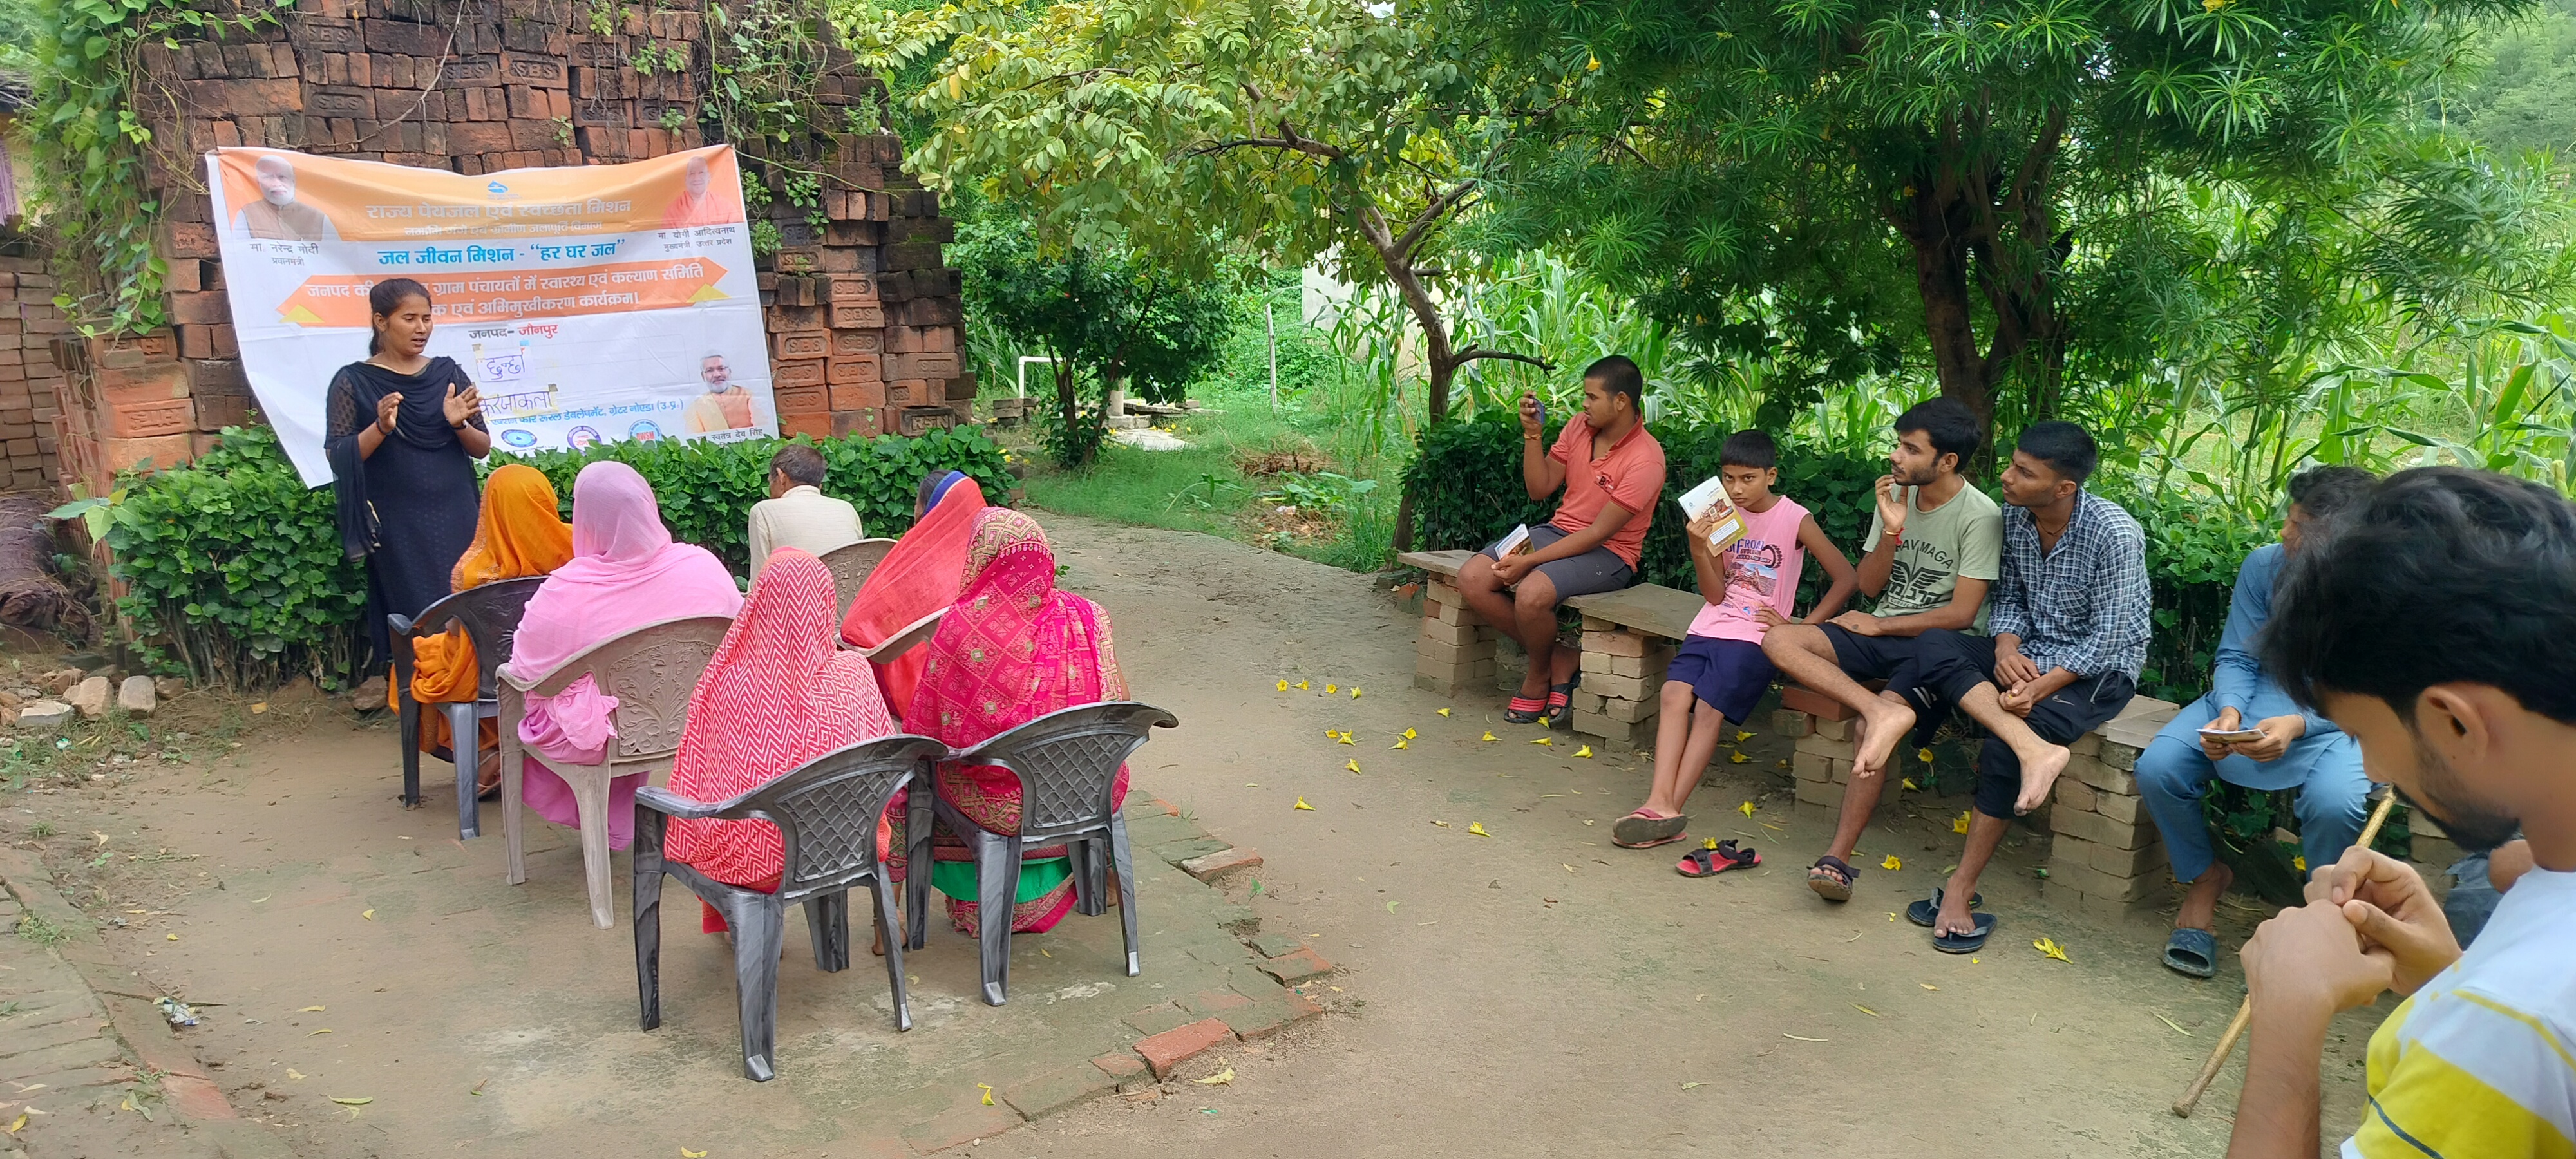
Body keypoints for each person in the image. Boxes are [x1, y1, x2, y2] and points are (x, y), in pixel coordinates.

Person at [2228, 467, 2576, 1159]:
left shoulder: (2511, 1022)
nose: (2373, 772)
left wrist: (2288, 1014)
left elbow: (2519, 1027)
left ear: (2454, 723)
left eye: (2360, 734)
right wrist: (2450, 974)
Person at [1891, 422, 2149, 952]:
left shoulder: (2115, 534)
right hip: (2028, 656)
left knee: (2002, 746)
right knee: (1935, 644)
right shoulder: (2014, 517)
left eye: (2025, 473)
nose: (2007, 477)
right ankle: (2034, 749)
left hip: (2097, 674)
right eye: (2012, 464)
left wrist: (2041, 686)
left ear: (2064, 488)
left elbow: (2109, 639)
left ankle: (1961, 889)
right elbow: (2009, 597)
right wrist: (2006, 650)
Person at [2135, 466, 2376, 978]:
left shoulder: (2384, 591)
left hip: (2340, 719)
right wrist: (2230, 712)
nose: (2284, 533)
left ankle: (2322, 922)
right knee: (2159, 766)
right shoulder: (2264, 565)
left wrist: (2299, 724)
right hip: (2250, 698)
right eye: (2288, 519)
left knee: (2335, 801)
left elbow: (2371, 693)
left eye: (2300, 527)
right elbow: (2238, 656)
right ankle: (2205, 878)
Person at [1760, 398, 2002, 901]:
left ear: (1947, 461)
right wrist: (1893, 528)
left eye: (1910, 449)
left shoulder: (1981, 516)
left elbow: (1963, 614)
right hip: (1881, 629)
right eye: (1898, 444)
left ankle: (1838, 859)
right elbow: (1870, 586)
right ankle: (1877, 708)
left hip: (1938, 647)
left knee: (1867, 731)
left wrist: (1882, 627)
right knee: (1780, 638)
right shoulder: (1896, 495)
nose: (1895, 456)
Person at [1614, 431, 1856, 854]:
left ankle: (1669, 811)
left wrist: (1801, 630)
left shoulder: (1794, 518)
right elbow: (1714, 594)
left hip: (1756, 634)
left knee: (1709, 708)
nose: (1737, 488)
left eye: (1748, 478)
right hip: (1712, 623)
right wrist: (1698, 547)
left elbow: (1846, 577)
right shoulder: (1721, 515)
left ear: (1771, 475)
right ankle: (1658, 803)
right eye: (1729, 478)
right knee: (1673, 694)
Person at [898, 508, 1130, 936]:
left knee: (919, 776)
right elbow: (1120, 704)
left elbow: (929, 730)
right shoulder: (1090, 615)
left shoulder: (962, 626)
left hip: (1004, 802)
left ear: (982, 557)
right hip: (1085, 789)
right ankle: (1094, 879)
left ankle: (959, 901)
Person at [504, 461, 743, 851]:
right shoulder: (703, 567)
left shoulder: (568, 590)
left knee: (540, 698)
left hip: (609, 736)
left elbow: (525, 669)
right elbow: (738, 635)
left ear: (586, 518)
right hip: (697, 721)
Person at [663, 549, 898, 934]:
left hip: (759, 861)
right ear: (826, 604)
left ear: (759, 604)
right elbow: (883, 767)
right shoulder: (856, 672)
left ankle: (742, 927)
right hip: (850, 843)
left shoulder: (730, 683)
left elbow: (706, 784)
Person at [1457, 355, 1667, 724]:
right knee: (1472, 578)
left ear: (1621, 401)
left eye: (1592, 397)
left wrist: (1529, 561)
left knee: (1532, 594)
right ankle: (1558, 657)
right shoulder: (1579, 428)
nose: (1584, 404)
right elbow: (1539, 488)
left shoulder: (1646, 460)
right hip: (1557, 532)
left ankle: (1538, 676)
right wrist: (1532, 435)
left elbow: (1598, 533)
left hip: (1609, 554)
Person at [325, 278, 491, 678]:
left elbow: (482, 447)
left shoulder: (448, 373)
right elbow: (338, 456)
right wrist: (380, 427)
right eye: (410, 318)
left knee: (465, 599)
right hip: (398, 523)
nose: (421, 328)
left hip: (458, 513)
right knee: (418, 610)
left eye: (427, 318)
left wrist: (457, 424)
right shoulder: (353, 381)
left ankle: (472, 689)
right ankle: (425, 696)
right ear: (381, 322)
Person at [392, 463, 574, 796]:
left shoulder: (475, 571)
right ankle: (510, 753)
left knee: (420, 657)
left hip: (487, 679)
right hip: (560, 671)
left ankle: (485, 753)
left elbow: (456, 632)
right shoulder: (576, 550)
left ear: (490, 505)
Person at [841, 472, 987, 714]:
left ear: (929, 510)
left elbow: (854, 628)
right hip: (985, 683)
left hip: (922, 694)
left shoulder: (913, 563)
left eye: (917, 504)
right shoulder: (993, 557)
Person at [746, 443, 864, 582]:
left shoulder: (763, 511)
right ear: (820, 483)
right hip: (850, 594)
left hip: (796, 596)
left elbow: (759, 583)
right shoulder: (846, 508)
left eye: (770, 482)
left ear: (782, 477)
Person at [231, 154, 341, 241]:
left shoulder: (317, 217)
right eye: (268, 177)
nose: (276, 184)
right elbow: (239, 253)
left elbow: (335, 256)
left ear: (293, 180)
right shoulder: (247, 214)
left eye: (282, 177)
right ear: (258, 182)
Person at [683, 352, 757, 435]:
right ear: (703, 376)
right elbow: (695, 439)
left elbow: (763, 430)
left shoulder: (749, 396)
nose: (717, 375)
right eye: (710, 370)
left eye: (721, 369)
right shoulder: (696, 407)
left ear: (729, 372)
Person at [661, 155, 736, 229]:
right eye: (692, 174)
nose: (696, 178)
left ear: (709, 177)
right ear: (686, 179)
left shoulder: (726, 206)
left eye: (701, 173)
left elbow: (737, 232)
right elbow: (668, 235)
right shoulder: (672, 210)